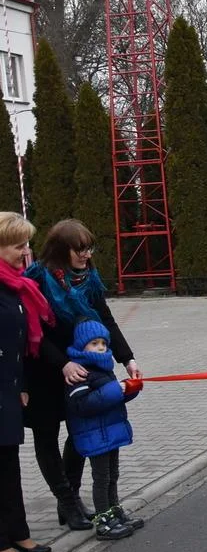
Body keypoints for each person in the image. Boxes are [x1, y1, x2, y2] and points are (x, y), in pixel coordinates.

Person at [24, 219, 140, 531]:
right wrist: (62, 363)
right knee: (46, 435)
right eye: (80, 249)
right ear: (61, 250)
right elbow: (33, 331)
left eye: (89, 248)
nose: (86, 255)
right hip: (42, 367)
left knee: (80, 433)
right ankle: (66, 501)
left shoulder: (88, 279)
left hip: (81, 368)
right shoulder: (37, 279)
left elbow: (106, 319)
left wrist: (126, 358)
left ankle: (73, 496)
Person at [0, 212, 52, 552]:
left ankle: (17, 531)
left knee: (8, 464)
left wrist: (19, 386)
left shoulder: (14, 284)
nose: (26, 251)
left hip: (7, 388)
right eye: (19, 245)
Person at [64, 320, 144, 539]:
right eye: (93, 344)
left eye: (102, 343)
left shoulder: (104, 368)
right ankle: (103, 520)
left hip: (110, 431)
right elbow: (83, 405)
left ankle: (115, 511)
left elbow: (112, 398)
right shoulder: (79, 373)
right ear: (82, 346)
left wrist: (130, 389)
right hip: (94, 434)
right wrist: (115, 389)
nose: (100, 348)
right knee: (101, 477)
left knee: (113, 475)